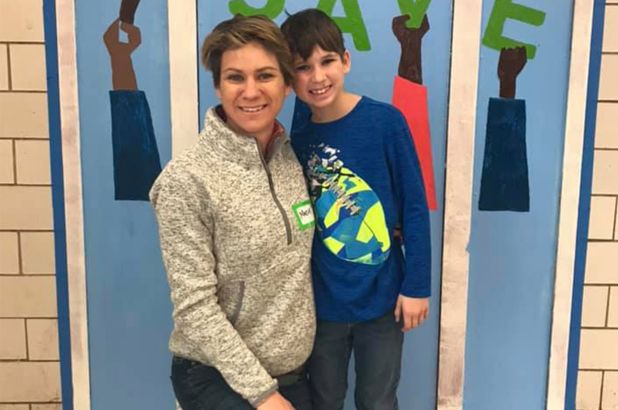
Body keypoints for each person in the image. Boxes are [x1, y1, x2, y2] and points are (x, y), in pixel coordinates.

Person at [150, 15, 316, 410]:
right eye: (235, 77)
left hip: (292, 374)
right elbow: (194, 307)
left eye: (265, 75)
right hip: (216, 377)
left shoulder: (288, 158)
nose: (251, 91)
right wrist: (262, 394)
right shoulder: (187, 180)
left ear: (287, 84)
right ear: (218, 86)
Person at [281, 9, 431, 410]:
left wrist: (416, 285)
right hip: (322, 302)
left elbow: (415, 208)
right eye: (302, 67)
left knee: (377, 400)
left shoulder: (385, 122)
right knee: (324, 399)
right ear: (289, 78)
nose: (317, 77)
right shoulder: (298, 134)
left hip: (382, 297)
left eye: (327, 61)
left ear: (345, 60)